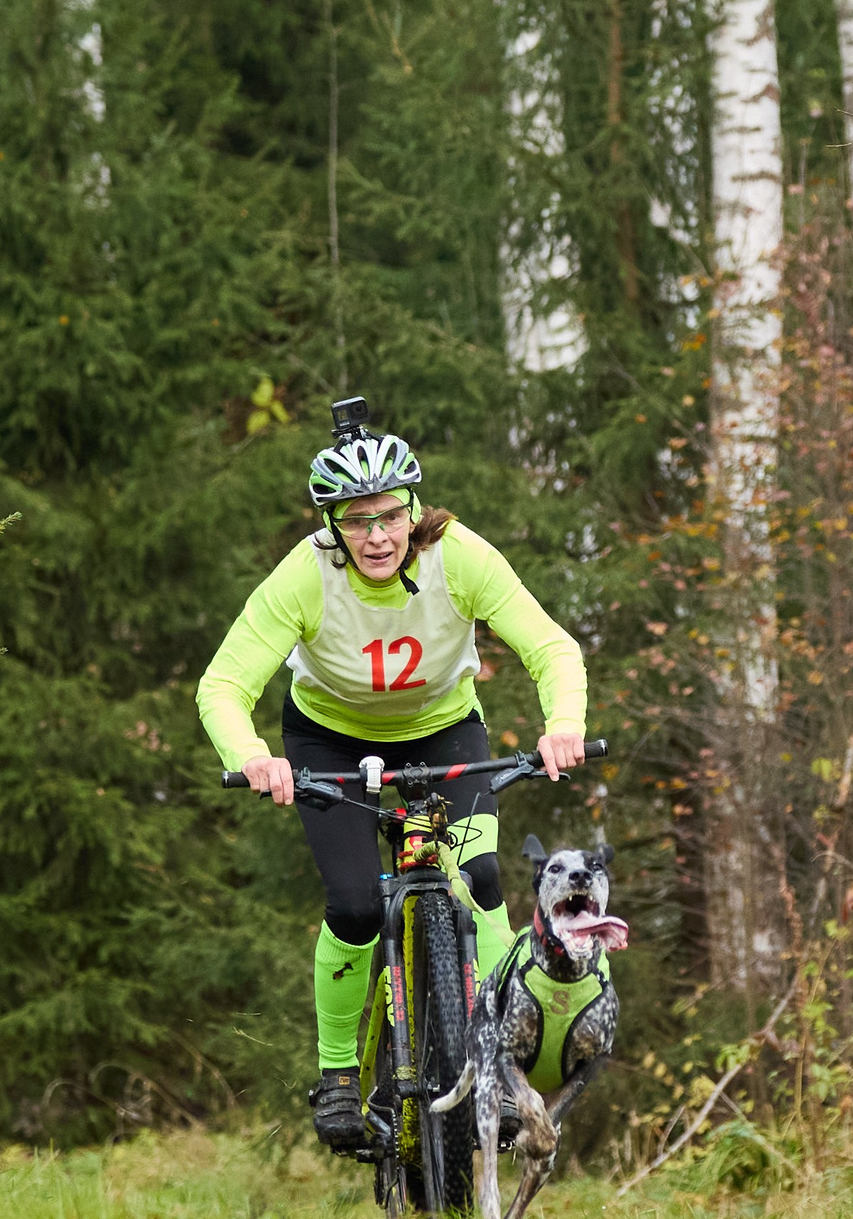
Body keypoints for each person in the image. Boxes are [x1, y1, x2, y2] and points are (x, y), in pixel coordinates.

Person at [197, 398, 587, 1150]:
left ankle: (497, 1064)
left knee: (477, 879)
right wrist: (250, 756)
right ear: (333, 524)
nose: (375, 536)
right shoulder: (305, 576)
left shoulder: (461, 555)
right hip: (330, 748)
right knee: (352, 905)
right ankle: (340, 1073)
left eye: (388, 515)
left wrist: (563, 723)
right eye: (355, 519)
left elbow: (551, 647)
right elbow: (223, 684)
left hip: (445, 738)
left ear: (414, 508)